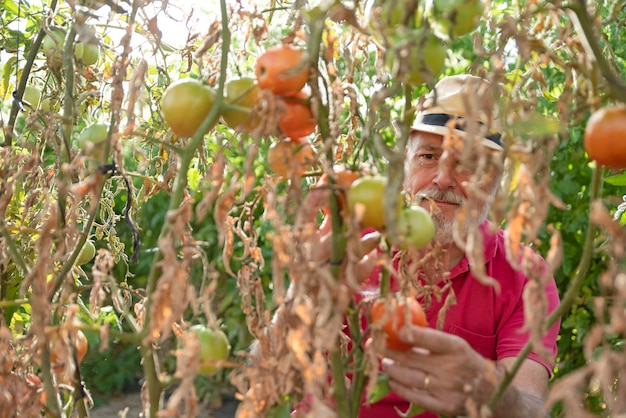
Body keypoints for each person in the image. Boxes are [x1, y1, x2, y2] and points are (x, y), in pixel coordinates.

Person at [354, 75, 561, 417]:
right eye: (428, 156)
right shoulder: (354, 244)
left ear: (498, 179)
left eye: (468, 164)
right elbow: (270, 366)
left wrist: (484, 388)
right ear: (405, 164)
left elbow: (530, 408)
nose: (443, 179)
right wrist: (301, 299)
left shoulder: (524, 275)